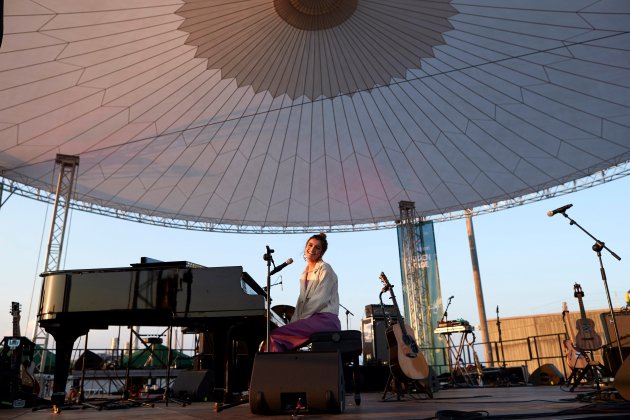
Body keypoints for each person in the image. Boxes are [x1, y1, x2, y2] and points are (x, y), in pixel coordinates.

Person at [264, 232, 340, 352]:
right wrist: (292, 324)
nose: (312, 249)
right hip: (312, 318)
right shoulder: (304, 274)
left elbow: (319, 300)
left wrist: (299, 322)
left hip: (325, 320)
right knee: (276, 335)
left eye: (317, 247)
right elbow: (301, 303)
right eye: (310, 245)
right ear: (305, 247)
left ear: (322, 253)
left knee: (275, 337)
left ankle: (271, 369)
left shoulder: (325, 268)